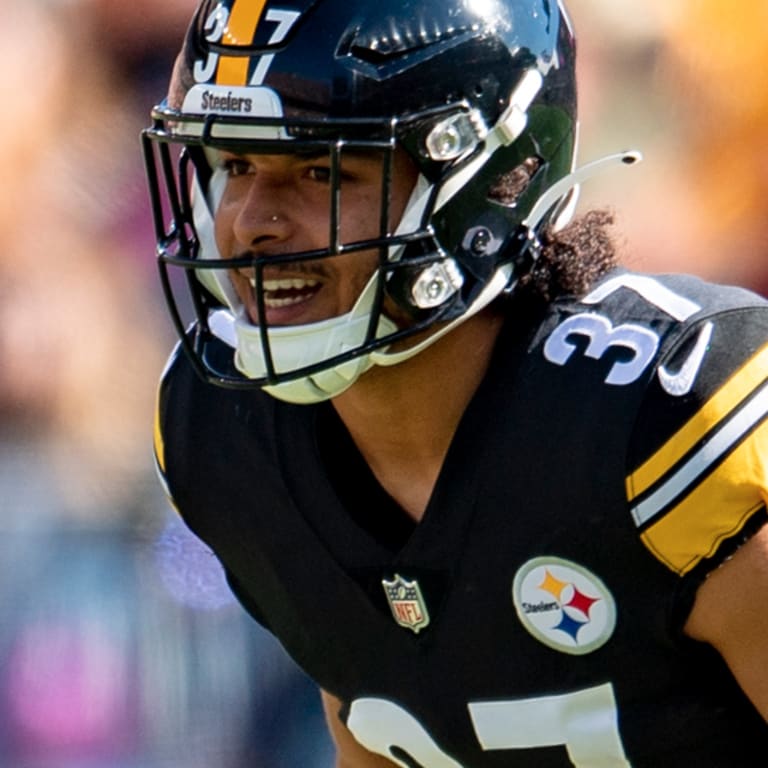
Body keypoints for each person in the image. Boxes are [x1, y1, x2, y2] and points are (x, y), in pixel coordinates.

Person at [143, 0, 768, 764]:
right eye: (234, 164)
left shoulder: (671, 414)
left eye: (317, 169)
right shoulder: (224, 429)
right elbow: (378, 724)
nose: (249, 222)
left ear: (485, 180)